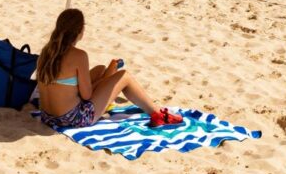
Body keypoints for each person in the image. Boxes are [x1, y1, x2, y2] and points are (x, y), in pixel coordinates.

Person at [36, 8, 183, 129]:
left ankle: (109, 73)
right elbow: (86, 96)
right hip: (72, 119)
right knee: (124, 76)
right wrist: (106, 81)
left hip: (48, 116)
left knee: (99, 69)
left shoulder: (46, 51)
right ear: (80, 31)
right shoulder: (79, 56)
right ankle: (158, 114)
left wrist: (105, 76)